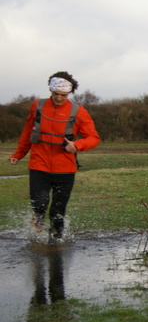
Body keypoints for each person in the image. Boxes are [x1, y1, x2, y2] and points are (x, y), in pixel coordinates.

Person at [9, 71, 100, 241]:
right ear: (50, 90)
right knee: (39, 203)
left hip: (65, 169)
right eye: (56, 94)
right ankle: (37, 225)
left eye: (64, 95)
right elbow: (28, 132)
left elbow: (94, 138)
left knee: (58, 212)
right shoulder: (38, 106)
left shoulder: (78, 112)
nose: (59, 98)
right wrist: (19, 154)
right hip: (39, 165)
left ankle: (56, 242)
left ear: (69, 93)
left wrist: (77, 145)